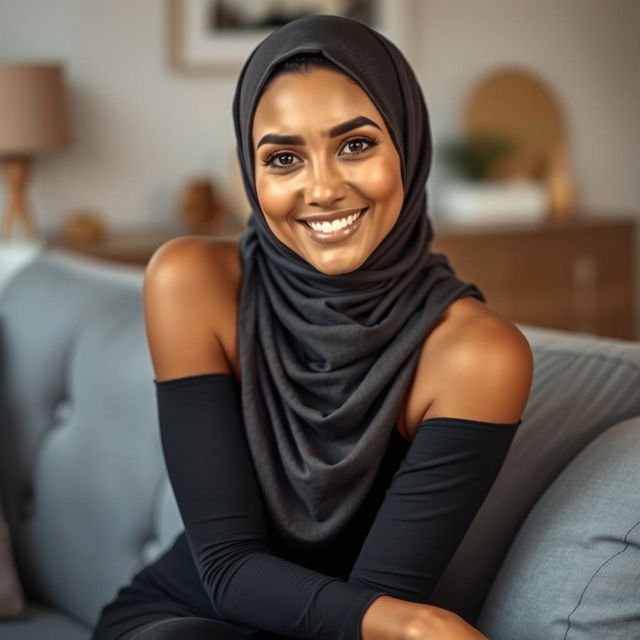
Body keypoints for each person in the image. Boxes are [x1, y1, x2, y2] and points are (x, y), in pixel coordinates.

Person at [91, 14, 533, 640]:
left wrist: (395, 621)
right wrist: (411, 628)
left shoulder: (476, 356)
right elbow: (224, 567)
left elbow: (376, 601)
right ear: (252, 171)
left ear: (408, 144)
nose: (321, 189)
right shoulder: (191, 283)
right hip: (176, 618)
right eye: (284, 158)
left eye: (355, 145)